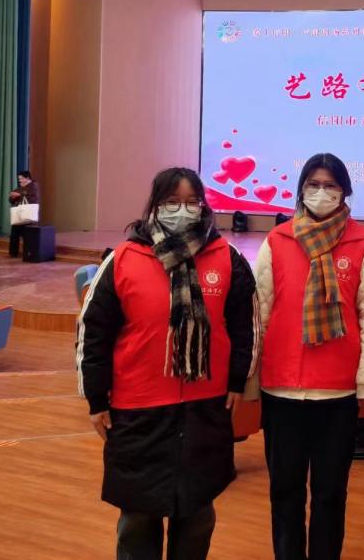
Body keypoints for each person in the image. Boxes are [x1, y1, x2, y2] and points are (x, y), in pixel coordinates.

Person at [76, 167, 258, 560]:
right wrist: (96, 398)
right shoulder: (124, 259)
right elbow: (94, 332)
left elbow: (246, 326)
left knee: (197, 516)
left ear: (204, 205)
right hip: (138, 410)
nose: (182, 210)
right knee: (137, 519)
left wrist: (237, 380)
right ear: (155, 205)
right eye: (172, 202)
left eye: (192, 202)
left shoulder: (227, 257)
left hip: (204, 408)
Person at [252, 152, 364, 560]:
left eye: (331, 185)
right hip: (282, 391)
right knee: (285, 493)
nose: (322, 192)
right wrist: (250, 381)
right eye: (314, 184)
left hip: (337, 394)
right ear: (301, 190)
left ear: (345, 191)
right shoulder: (278, 240)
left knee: (330, 495)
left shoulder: (363, 243)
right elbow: (259, 313)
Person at [8, 170, 40, 257]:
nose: (20, 180)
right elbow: (12, 200)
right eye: (19, 179)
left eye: (21, 178)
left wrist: (19, 194)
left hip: (28, 213)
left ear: (27, 178)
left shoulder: (34, 185)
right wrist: (12, 196)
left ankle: (28, 253)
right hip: (19, 213)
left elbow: (33, 197)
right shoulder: (20, 188)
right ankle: (13, 253)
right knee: (14, 234)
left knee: (27, 235)